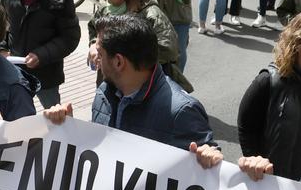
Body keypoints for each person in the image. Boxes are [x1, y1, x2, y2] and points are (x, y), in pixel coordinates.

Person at [44, 15, 221, 168]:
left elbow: (209, 173)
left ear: (119, 62)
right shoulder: (104, 93)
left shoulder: (181, 112)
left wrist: (209, 157)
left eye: (100, 53)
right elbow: (97, 151)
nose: (95, 58)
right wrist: (67, 128)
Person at [237, 10, 301, 182]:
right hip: (283, 181)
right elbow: (246, 126)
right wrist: (256, 162)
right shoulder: (270, 81)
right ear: (298, 44)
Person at [0, 0, 81, 108]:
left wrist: (41, 55)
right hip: (13, 69)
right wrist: (1, 49)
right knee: (14, 118)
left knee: (53, 120)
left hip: (46, 73)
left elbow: (70, 37)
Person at [88, 0, 188, 89]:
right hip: (108, 83)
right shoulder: (105, 8)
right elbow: (94, 27)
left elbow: (168, 49)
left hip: (141, 89)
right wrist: (93, 45)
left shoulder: (151, 14)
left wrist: (126, 58)